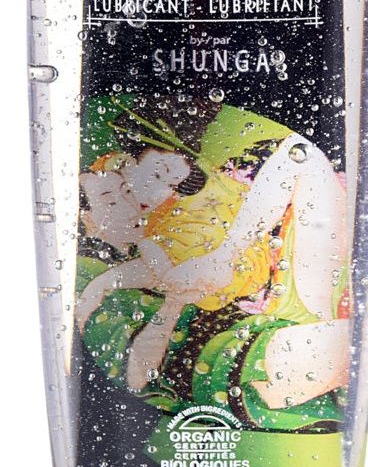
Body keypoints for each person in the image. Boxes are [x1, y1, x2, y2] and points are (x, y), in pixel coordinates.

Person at [76, 104, 350, 421]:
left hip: (292, 289)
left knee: (302, 154)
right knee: (345, 342)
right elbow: (136, 378)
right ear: (88, 221)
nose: (129, 201)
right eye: (111, 200)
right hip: (234, 352)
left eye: (127, 189)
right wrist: (169, 300)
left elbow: (298, 157)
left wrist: (224, 255)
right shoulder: (95, 274)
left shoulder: (169, 227)